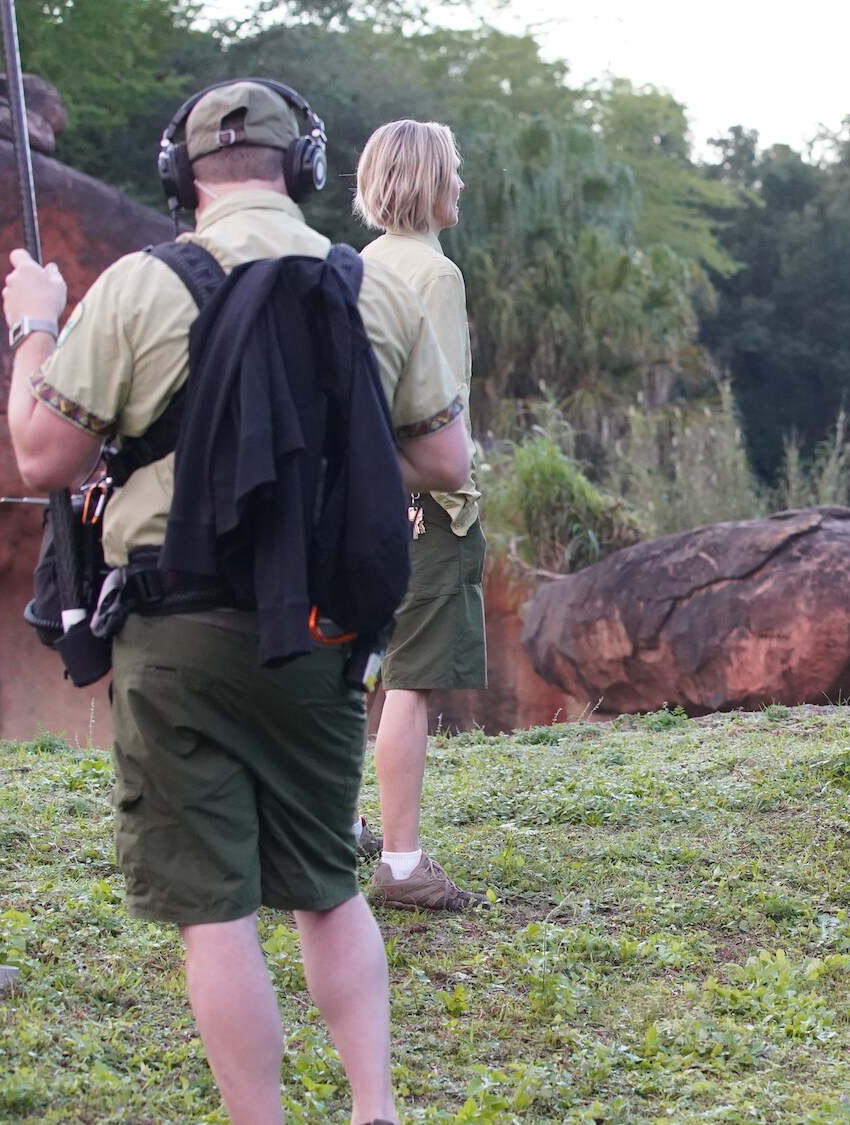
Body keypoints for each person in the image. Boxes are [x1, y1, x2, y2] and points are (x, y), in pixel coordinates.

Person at [0, 79, 468, 1125]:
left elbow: (40, 453)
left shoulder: (138, 285)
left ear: (182, 177)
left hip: (177, 633)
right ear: (302, 167)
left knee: (214, 911)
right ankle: (375, 1111)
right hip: (320, 633)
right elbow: (445, 456)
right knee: (324, 885)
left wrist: (35, 324)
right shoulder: (371, 288)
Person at [351, 118, 487, 911]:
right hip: (425, 507)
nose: (461, 186)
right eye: (454, 172)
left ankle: (345, 826)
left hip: (360, 500)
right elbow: (435, 412)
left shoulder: (359, 264)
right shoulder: (437, 276)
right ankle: (402, 863)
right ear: (430, 184)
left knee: (354, 672)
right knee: (411, 684)